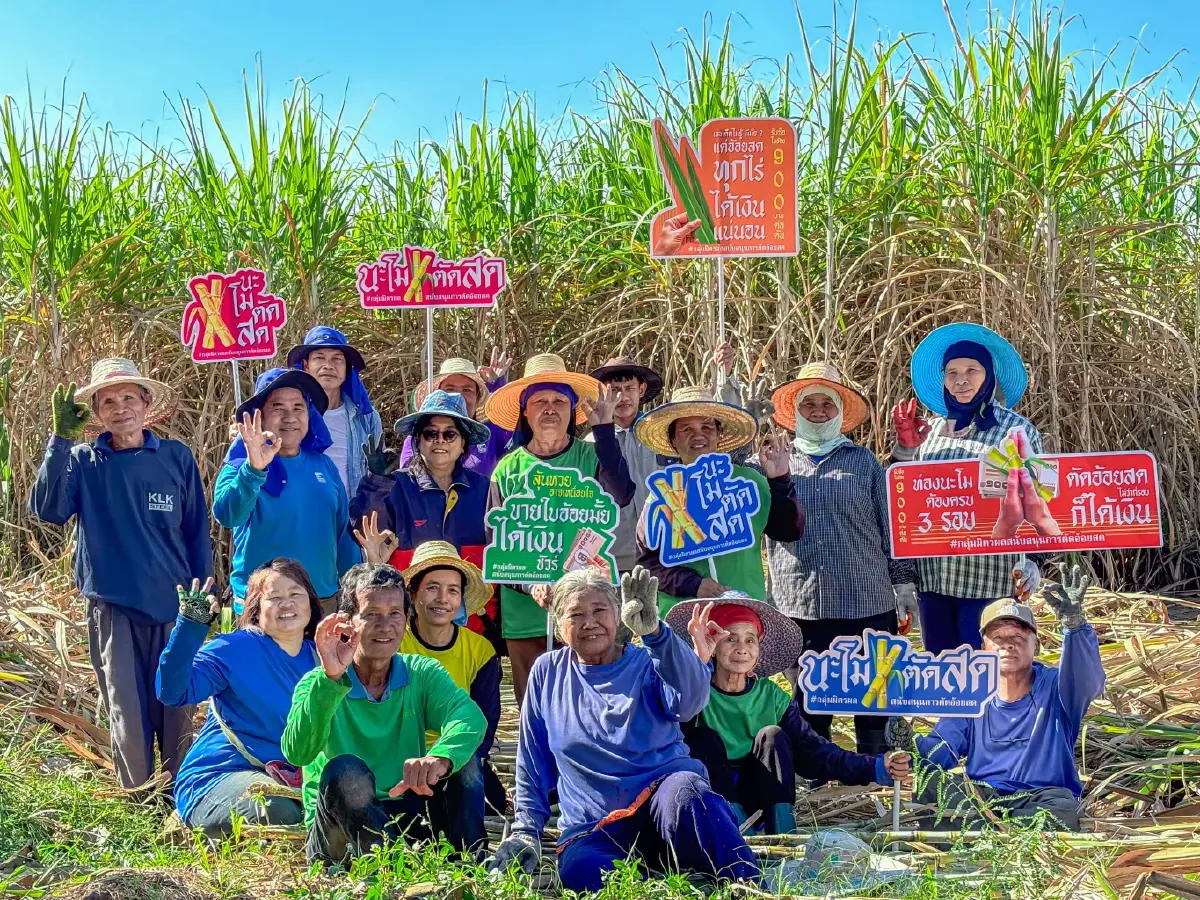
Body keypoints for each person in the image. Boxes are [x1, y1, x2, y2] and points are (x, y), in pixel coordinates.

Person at [484, 567, 758, 891]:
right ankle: (646, 889)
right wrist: (525, 831)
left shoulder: (648, 660)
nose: (590, 622)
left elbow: (689, 702)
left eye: (600, 610)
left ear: (617, 615)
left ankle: (749, 885)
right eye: (576, 614)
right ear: (559, 627)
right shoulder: (547, 673)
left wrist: (656, 633)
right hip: (594, 828)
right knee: (580, 870)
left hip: (665, 809)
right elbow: (532, 762)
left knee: (689, 792)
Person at [29, 358, 211, 790]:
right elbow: (47, 510)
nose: (120, 407)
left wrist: (205, 599)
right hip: (113, 607)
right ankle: (141, 800)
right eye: (107, 400)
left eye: (129, 396)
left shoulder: (175, 457)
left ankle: (181, 795)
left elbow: (196, 529)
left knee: (176, 705)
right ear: (95, 412)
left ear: (146, 403)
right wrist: (59, 439)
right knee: (126, 710)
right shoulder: (83, 461)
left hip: (175, 606)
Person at [282, 563, 488, 863]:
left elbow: (470, 717)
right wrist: (330, 680)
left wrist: (440, 757)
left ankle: (467, 863)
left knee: (461, 758)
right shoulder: (318, 683)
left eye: (395, 614)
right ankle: (395, 865)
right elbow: (297, 753)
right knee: (346, 771)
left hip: (404, 814)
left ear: (406, 619)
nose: (385, 625)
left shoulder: (421, 673)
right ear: (347, 622)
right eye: (371, 614)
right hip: (339, 830)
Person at [766, 363, 918, 754]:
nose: (818, 411)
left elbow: (891, 527)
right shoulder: (771, 463)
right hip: (800, 603)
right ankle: (819, 790)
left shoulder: (863, 462)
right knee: (811, 701)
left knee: (873, 700)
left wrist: (903, 584)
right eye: (809, 404)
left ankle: (877, 774)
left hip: (866, 600)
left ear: (839, 412)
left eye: (827, 404)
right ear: (796, 412)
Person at [666, 594, 911, 835]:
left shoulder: (770, 696)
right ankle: (733, 832)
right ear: (714, 646)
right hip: (713, 799)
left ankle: (783, 830)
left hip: (760, 797)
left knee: (773, 736)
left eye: (750, 640)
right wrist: (698, 664)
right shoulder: (694, 692)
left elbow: (814, 752)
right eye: (730, 639)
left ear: (759, 650)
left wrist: (877, 766)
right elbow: (672, 739)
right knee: (703, 739)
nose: (742, 649)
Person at [485, 353, 636, 705]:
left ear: (571, 410)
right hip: (527, 616)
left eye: (558, 401)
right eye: (540, 401)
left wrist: (603, 430)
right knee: (535, 710)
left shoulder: (592, 457)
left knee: (594, 705)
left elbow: (623, 494)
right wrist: (528, 583)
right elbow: (496, 544)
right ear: (525, 411)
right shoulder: (507, 469)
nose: (549, 409)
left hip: (590, 615)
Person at [892, 323, 1046, 653]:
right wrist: (903, 451)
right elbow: (900, 503)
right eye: (952, 372)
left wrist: (1035, 559)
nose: (961, 380)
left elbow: (1040, 496)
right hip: (934, 580)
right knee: (945, 673)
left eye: (971, 370)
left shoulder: (1016, 429)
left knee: (988, 675)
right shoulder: (929, 432)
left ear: (988, 375)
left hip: (992, 579)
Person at [914, 567, 1104, 831]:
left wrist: (1075, 626)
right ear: (984, 647)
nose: (1008, 644)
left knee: (1060, 810)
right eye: (998, 638)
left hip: (1042, 796)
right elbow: (941, 748)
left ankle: (985, 837)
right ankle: (991, 835)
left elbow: (1087, 679)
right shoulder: (972, 693)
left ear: (1035, 645)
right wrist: (909, 746)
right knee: (932, 787)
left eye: (1018, 636)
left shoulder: (1057, 688)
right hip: (983, 797)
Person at [156, 559, 322, 837]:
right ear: (256, 609)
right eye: (275, 597)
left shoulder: (323, 656)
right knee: (279, 811)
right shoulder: (233, 648)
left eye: (295, 594)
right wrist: (189, 629)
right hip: (222, 775)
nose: (287, 603)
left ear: (310, 602)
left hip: (294, 780)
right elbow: (173, 692)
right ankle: (194, 823)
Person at [634, 386, 803, 616]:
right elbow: (648, 563)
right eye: (686, 429)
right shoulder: (664, 493)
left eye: (707, 426)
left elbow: (788, 531)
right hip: (684, 616)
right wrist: (693, 584)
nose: (698, 435)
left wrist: (780, 480)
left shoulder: (748, 481)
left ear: (718, 434)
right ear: (673, 439)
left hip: (743, 615)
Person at [352, 390, 498, 647]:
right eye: (430, 433)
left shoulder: (486, 490)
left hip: (473, 622)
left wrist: (494, 618)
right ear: (418, 441)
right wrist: (376, 481)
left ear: (463, 442)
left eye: (449, 433)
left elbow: (499, 553)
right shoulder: (394, 484)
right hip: (407, 621)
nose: (439, 440)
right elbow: (364, 529)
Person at [214, 368, 362, 615]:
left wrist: (354, 593)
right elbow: (228, 515)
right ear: (259, 417)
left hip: (321, 603)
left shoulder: (323, 465)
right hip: (262, 605)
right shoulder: (240, 465)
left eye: (298, 407)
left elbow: (343, 536)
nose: (290, 417)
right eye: (278, 407)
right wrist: (254, 468)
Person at [398, 541, 507, 817]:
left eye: (453, 591)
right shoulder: (393, 643)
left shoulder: (480, 650)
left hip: (456, 753)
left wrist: (444, 759)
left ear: (461, 599)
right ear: (413, 594)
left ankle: (469, 854)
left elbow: (484, 722)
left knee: (490, 798)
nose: (442, 599)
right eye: (432, 588)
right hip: (400, 755)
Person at [586, 356, 665, 573]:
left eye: (629, 388)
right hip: (611, 558)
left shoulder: (662, 437)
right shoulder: (590, 445)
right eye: (614, 390)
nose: (622, 397)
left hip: (662, 553)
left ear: (641, 389)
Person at [287, 326, 383, 498]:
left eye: (337, 359)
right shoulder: (290, 415)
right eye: (319, 357)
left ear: (347, 368)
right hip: (305, 514)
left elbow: (378, 474)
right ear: (306, 366)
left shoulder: (366, 417)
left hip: (352, 517)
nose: (328, 366)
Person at [396, 350, 514, 479]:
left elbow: (513, 442)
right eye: (450, 389)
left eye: (467, 390)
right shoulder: (420, 435)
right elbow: (407, 481)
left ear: (477, 398)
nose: (458, 396)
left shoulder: (490, 433)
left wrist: (496, 385)